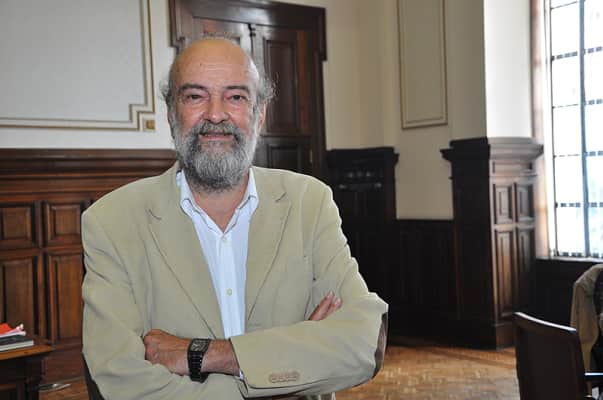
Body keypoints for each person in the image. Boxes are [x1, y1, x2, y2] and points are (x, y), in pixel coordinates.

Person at [81, 35, 388, 400]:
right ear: (171, 113)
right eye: (195, 96)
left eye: (236, 97)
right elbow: (119, 380)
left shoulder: (310, 203)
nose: (215, 114)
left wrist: (208, 354)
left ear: (260, 113)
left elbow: (364, 343)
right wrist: (289, 365)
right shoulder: (112, 222)